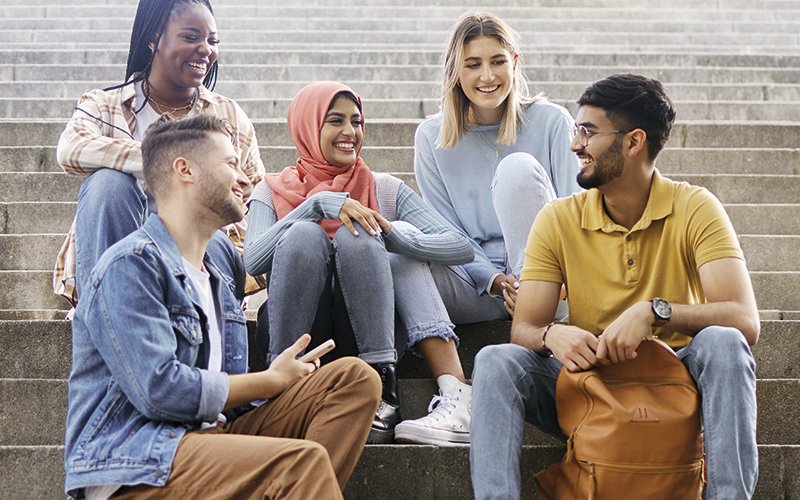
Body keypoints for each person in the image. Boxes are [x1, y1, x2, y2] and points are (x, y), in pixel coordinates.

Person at [470, 73, 760, 500]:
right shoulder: (557, 219)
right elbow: (524, 330)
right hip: (588, 383)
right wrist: (552, 335)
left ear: (633, 141)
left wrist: (653, 312)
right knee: (497, 360)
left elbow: (743, 319)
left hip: (675, 382)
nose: (574, 145)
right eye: (575, 130)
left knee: (725, 343)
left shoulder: (696, 207)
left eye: (587, 131)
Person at [64, 113, 381, 500]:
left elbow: (225, 404)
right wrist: (269, 380)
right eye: (231, 164)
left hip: (209, 443)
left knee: (354, 379)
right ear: (186, 170)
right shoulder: (130, 265)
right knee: (301, 462)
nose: (246, 179)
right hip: (136, 463)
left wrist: (283, 385)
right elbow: (158, 390)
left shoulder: (216, 275)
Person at [243, 81, 474, 444]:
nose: (350, 132)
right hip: (299, 332)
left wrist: (391, 235)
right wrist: (315, 207)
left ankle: (384, 393)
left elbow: (462, 247)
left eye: (357, 120)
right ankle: (281, 390)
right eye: (335, 121)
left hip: (369, 335)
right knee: (304, 236)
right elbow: (254, 259)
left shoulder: (383, 188)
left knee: (359, 232)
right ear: (308, 126)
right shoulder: (271, 190)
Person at [399, 11, 581, 445]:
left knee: (518, 170)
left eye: (497, 61)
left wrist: (541, 282)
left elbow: (580, 215)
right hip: (478, 284)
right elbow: (447, 234)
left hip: (552, 284)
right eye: (473, 63)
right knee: (398, 247)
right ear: (455, 71)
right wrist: (497, 282)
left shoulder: (552, 122)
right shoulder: (431, 137)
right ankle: (458, 395)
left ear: (514, 62)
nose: (487, 75)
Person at [53, 0, 264, 307]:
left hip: (200, 260)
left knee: (212, 234)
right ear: (153, 39)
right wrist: (162, 162)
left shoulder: (228, 115)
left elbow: (255, 201)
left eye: (212, 40)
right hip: (121, 257)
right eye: (191, 37)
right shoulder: (105, 104)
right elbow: (71, 148)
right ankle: (108, 314)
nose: (206, 50)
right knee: (108, 185)